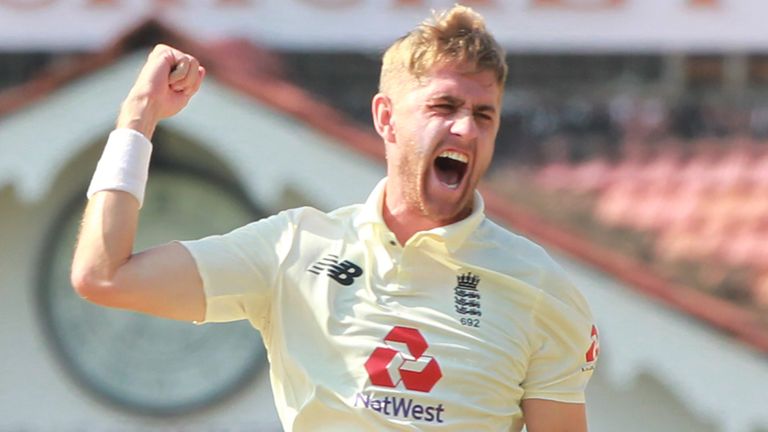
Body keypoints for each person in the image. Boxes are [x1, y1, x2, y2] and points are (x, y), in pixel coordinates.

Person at [71, 5, 598, 431]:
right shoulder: (294, 247)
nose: (466, 129)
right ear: (386, 118)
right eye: (445, 107)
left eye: (484, 115)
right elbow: (103, 275)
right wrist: (137, 119)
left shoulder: (540, 289)